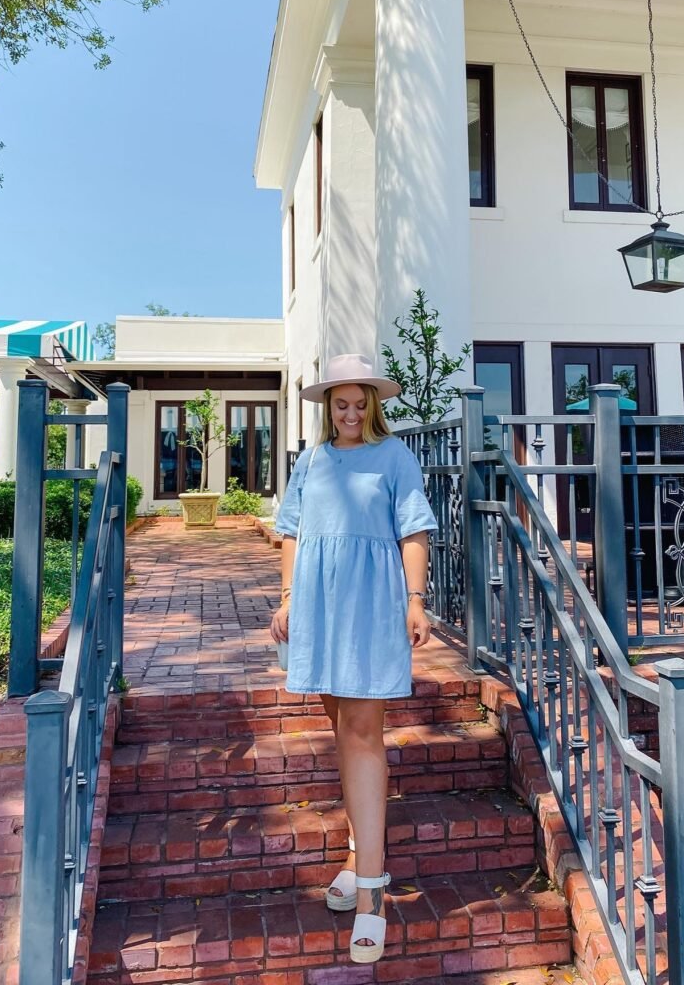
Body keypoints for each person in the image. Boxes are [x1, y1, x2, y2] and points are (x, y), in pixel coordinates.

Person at [270, 354, 438, 964]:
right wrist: (287, 597)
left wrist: (415, 602)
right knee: (343, 730)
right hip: (318, 605)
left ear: (372, 404)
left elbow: (414, 531)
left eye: (357, 402)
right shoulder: (311, 462)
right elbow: (291, 531)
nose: (348, 412)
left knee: (365, 733)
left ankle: (371, 895)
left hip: (371, 605)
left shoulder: (394, 458)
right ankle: (356, 853)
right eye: (338, 404)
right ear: (327, 408)